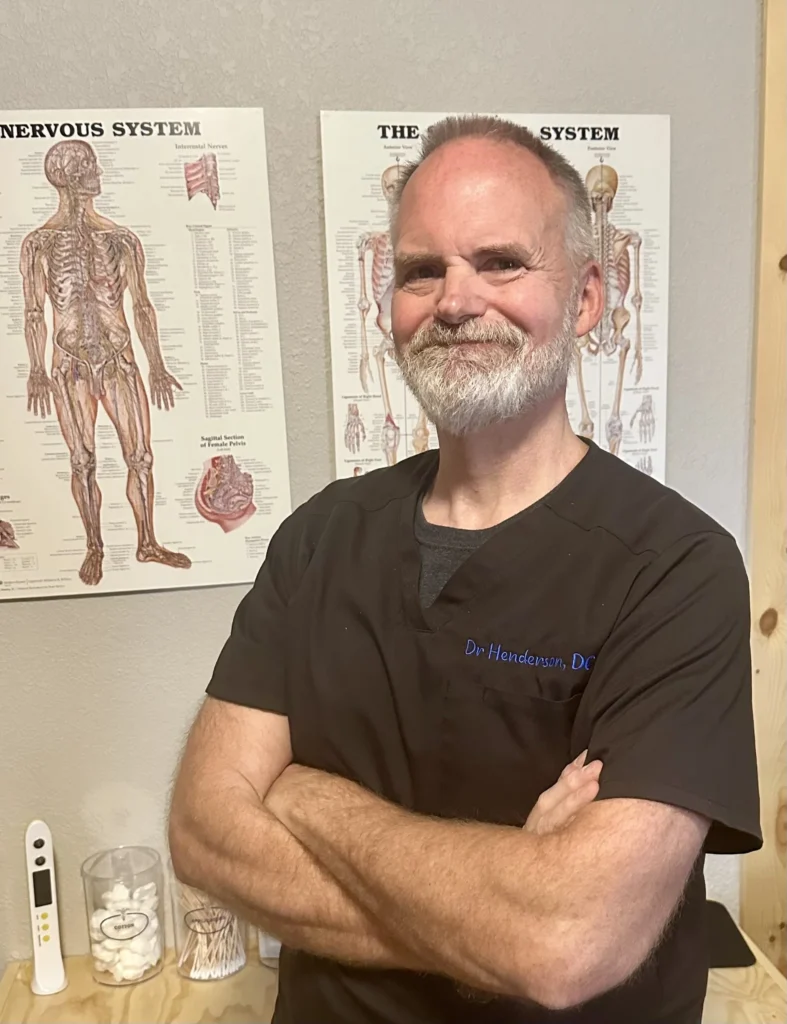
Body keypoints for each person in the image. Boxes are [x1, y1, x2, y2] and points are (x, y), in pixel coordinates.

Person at [168, 115, 762, 1024]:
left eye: (500, 262)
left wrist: (307, 800)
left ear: (586, 298)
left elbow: (567, 940)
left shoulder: (675, 570)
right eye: (420, 270)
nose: (454, 301)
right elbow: (203, 834)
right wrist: (496, 915)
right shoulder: (320, 537)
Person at [20, 140, 191, 587]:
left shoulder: (121, 239)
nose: (98, 173)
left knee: (141, 456)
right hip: (70, 366)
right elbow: (34, 311)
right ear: (70, 177)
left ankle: (147, 541)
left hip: (119, 361)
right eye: (90, 166)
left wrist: (156, 364)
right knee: (82, 460)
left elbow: (142, 306)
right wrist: (36, 368)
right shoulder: (39, 244)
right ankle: (94, 546)